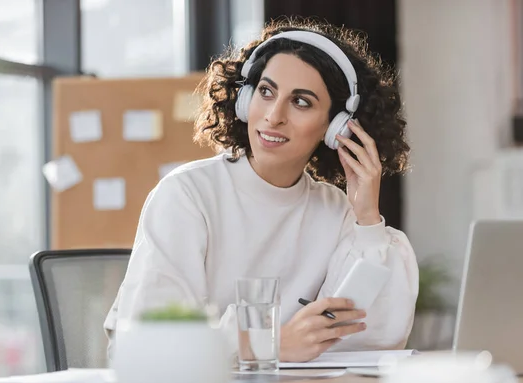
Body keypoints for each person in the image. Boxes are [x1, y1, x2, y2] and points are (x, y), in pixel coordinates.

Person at [104, 18, 419, 363]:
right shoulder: (187, 195)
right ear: (244, 100)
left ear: (336, 128)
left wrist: (367, 218)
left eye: (301, 102)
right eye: (266, 92)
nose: (273, 116)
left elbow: (374, 338)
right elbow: (149, 342)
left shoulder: (336, 211)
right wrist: (269, 342)